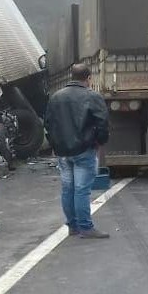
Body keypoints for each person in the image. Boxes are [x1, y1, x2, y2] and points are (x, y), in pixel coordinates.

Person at [44, 63, 110, 239]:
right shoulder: (92, 97)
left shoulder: (56, 97)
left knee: (68, 189)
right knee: (82, 190)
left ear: (71, 77)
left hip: (63, 152)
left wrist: (56, 145)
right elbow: (102, 123)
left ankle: (72, 226)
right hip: (84, 149)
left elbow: (48, 125)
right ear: (88, 78)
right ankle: (86, 227)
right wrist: (99, 142)